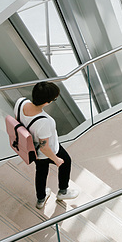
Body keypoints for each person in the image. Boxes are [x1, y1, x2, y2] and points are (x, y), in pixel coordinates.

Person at [15, 81, 79, 210]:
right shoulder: (44, 121)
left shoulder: (20, 102)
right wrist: (56, 159)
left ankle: (41, 199)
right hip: (47, 151)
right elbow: (45, 147)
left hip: (32, 149)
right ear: (47, 102)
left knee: (41, 173)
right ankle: (63, 191)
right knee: (66, 161)